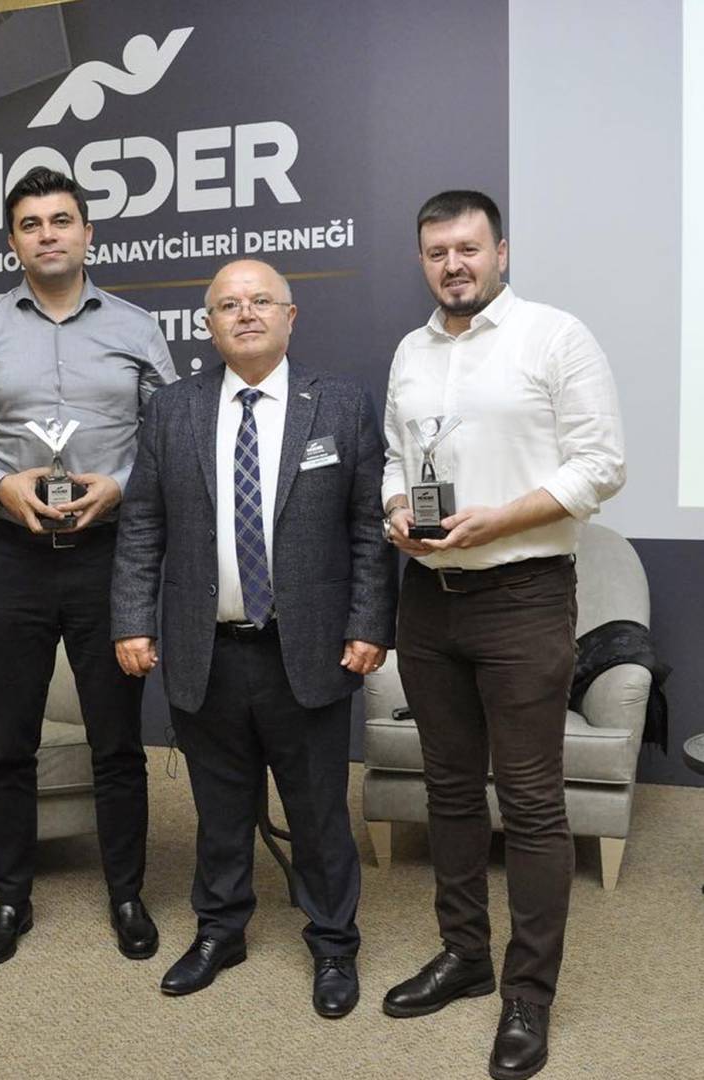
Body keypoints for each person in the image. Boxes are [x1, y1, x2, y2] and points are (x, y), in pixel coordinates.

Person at [381, 190, 625, 1079]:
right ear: (422, 261)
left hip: (522, 594)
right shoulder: (409, 352)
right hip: (427, 598)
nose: (453, 264)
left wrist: (501, 519)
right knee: (447, 791)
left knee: (528, 802)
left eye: (468, 248)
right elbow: (394, 456)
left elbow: (600, 465)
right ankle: (464, 955)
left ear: (500, 252)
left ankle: (527, 994)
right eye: (436, 251)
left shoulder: (554, 337)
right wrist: (396, 508)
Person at [111, 259, 396, 1017]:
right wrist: (132, 619)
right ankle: (220, 930)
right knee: (220, 808)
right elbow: (142, 523)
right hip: (205, 647)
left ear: (290, 316)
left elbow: (368, 528)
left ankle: (333, 942)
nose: (245, 314)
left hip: (309, 649)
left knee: (319, 812)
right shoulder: (173, 408)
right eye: (228, 305)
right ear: (207, 324)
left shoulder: (339, 404)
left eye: (261, 301)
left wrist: (369, 623)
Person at [0, 166, 176, 965]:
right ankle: (10, 899)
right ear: (13, 242)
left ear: (87, 233)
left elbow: (170, 438)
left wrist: (120, 486)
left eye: (61, 220)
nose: (48, 235)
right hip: (12, 560)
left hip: (108, 560)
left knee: (118, 744)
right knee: (8, 741)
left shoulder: (136, 329)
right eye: (31, 224)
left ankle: (127, 895)